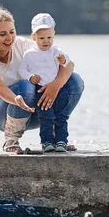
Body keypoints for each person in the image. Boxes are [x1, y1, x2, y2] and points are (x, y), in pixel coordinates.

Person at [0, 5, 84, 153]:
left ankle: (57, 137)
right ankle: (11, 138)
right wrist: (16, 100)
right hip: (3, 114)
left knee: (74, 81)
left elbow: (69, 65)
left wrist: (55, 85)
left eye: (12, 32)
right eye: (3, 34)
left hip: (34, 110)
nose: (9, 38)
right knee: (26, 86)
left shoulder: (22, 44)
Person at [18, 13, 73, 152]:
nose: (46, 41)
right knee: (46, 117)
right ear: (34, 37)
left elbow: (67, 60)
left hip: (59, 90)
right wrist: (30, 77)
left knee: (61, 116)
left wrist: (62, 60)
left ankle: (61, 141)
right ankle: (47, 142)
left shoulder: (56, 50)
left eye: (49, 37)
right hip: (41, 90)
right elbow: (22, 69)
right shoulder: (29, 54)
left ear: (53, 34)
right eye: (42, 38)